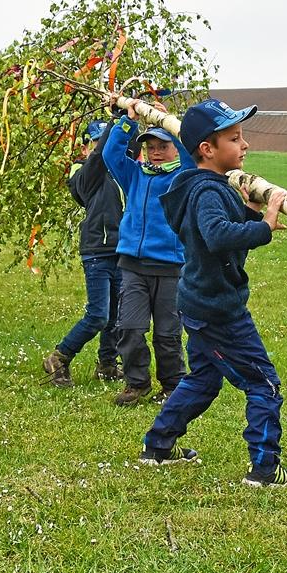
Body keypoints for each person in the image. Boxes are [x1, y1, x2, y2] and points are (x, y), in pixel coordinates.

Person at [141, 98, 287, 487]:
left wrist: (247, 212)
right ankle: (265, 469)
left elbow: (214, 224)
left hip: (198, 303)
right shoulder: (207, 191)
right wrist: (263, 225)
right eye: (235, 138)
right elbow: (216, 234)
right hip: (218, 310)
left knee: (203, 380)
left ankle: (158, 446)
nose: (244, 145)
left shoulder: (199, 186)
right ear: (208, 150)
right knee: (263, 383)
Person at [103, 97, 194, 406]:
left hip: (170, 268)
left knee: (167, 334)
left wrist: (169, 125)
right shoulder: (135, 175)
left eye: (162, 146)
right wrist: (127, 121)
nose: (155, 152)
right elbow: (111, 154)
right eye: (150, 147)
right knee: (129, 328)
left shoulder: (182, 178)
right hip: (132, 266)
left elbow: (192, 160)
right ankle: (136, 383)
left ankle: (172, 384)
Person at [42, 120, 126, 388]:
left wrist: (134, 119)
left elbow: (125, 147)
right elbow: (100, 156)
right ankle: (59, 356)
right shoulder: (83, 172)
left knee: (116, 315)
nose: (100, 144)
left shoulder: (119, 170)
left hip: (121, 251)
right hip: (97, 252)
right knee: (98, 315)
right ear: (86, 145)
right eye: (96, 140)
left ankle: (107, 364)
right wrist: (115, 124)